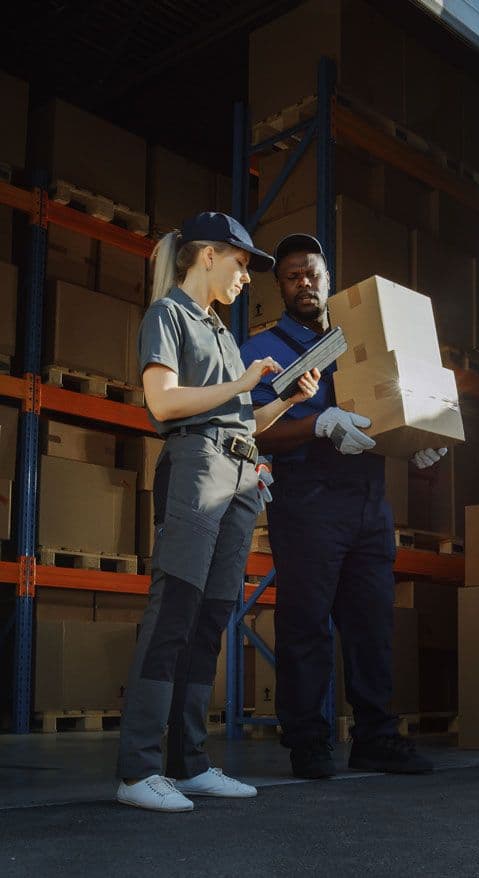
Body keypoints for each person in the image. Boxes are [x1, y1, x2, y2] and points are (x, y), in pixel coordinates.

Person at [115, 213, 320, 813]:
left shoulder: (224, 334)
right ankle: (136, 771)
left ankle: (189, 764)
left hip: (240, 472)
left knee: (211, 619)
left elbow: (244, 420)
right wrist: (241, 385)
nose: (245, 278)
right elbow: (163, 400)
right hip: (197, 468)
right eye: (240, 264)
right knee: (174, 609)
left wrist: (283, 399)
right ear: (208, 255)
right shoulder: (168, 316)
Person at [240, 233, 444, 779]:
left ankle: (376, 737)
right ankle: (308, 741)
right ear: (280, 287)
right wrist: (318, 425)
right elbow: (256, 433)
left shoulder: (362, 341)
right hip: (307, 506)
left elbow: (391, 405)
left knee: (372, 625)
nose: (304, 283)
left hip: (368, 504)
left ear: (329, 278)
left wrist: (416, 436)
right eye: (292, 276)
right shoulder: (262, 351)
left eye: (312, 272)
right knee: (306, 625)